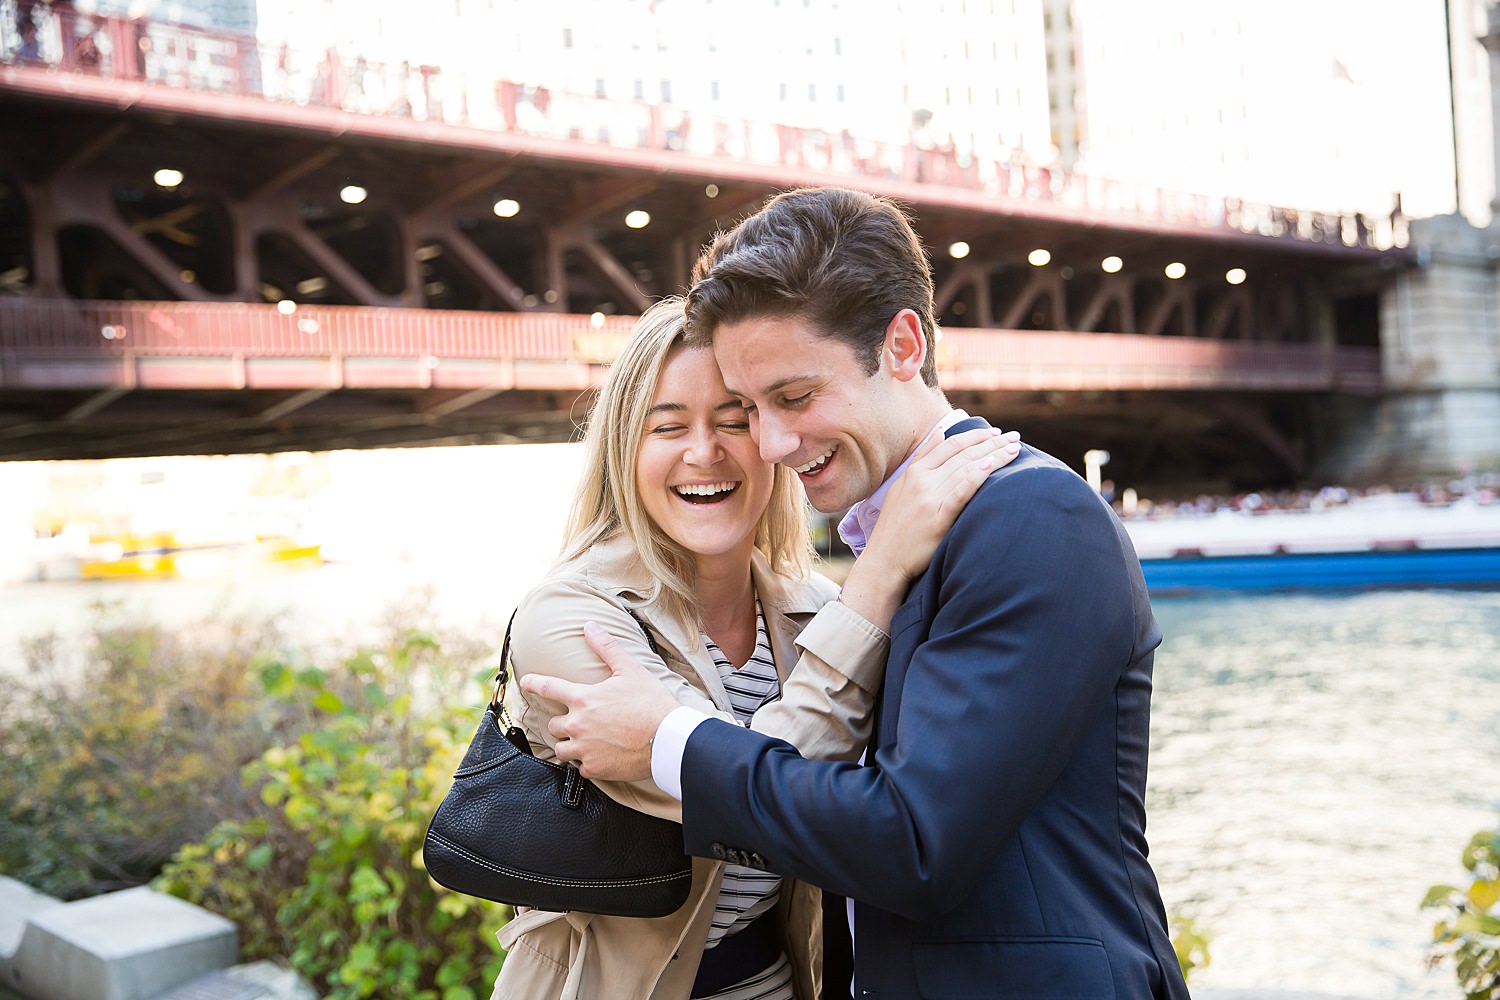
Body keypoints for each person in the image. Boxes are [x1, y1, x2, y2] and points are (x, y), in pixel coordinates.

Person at [523, 187, 1192, 1000]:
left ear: (903, 345)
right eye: (754, 408)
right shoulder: (890, 546)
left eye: (794, 398)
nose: (771, 443)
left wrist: (672, 742)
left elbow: (912, 840)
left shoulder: (1030, 517)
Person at [489, 296, 1018, 1000]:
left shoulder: (816, 617)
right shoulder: (570, 618)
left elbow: (864, 812)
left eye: (736, 422)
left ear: (775, 440)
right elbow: (755, 801)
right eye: (668, 426)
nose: (704, 452)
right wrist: (882, 567)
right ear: (624, 447)